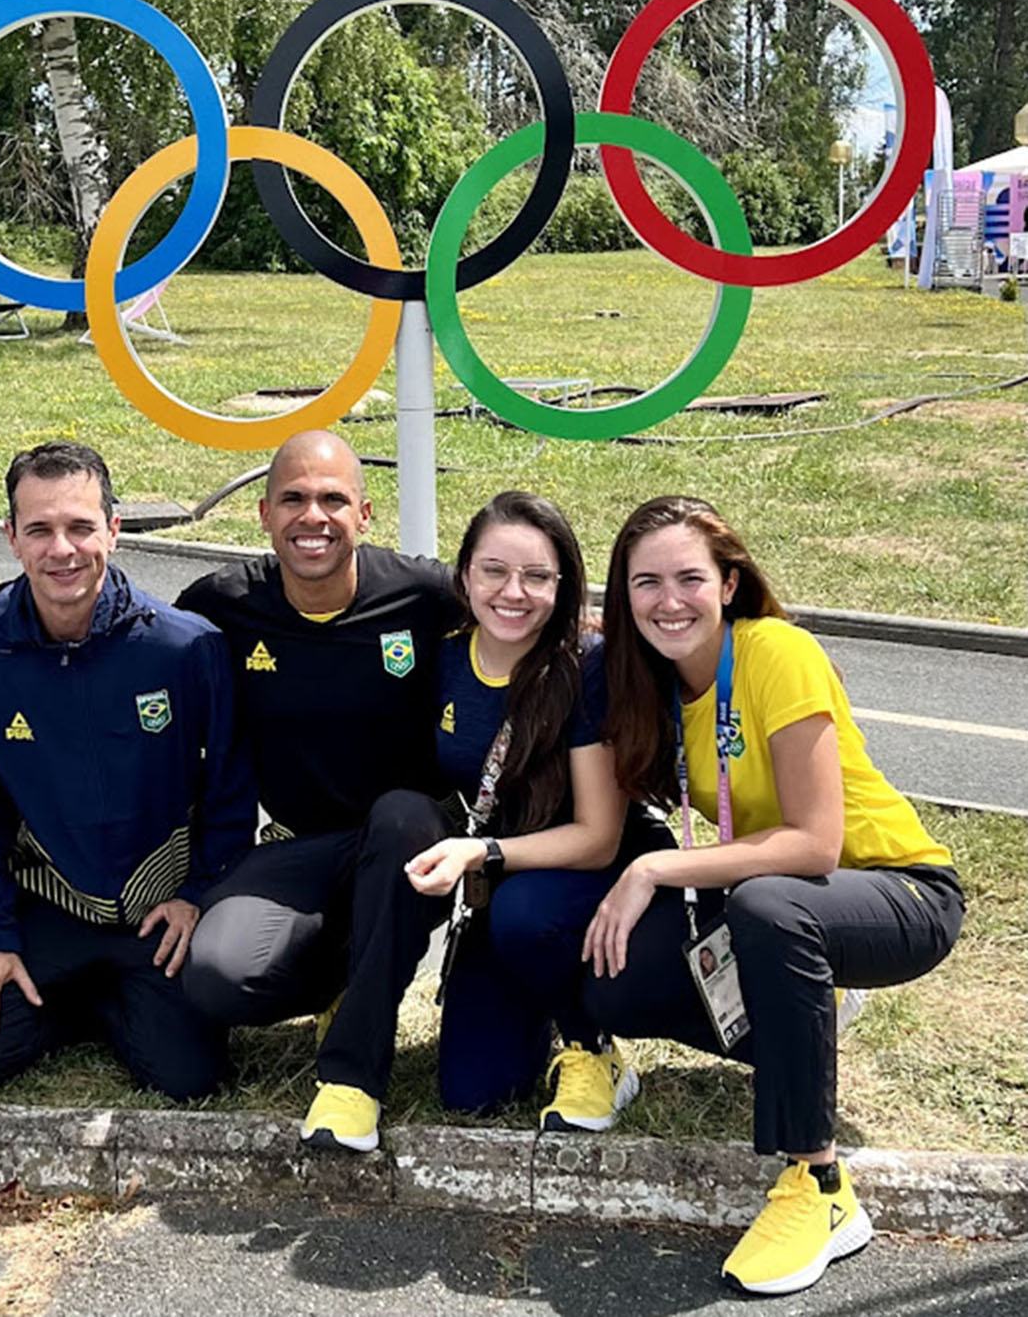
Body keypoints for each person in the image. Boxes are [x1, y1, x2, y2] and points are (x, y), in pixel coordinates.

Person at [582, 496, 963, 1296]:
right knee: (607, 975)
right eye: (645, 582)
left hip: (899, 892)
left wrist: (655, 869)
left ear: (728, 582)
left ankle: (818, 1187)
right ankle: (802, 1024)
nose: (668, 599)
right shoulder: (650, 686)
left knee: (765, 907)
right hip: (788, 898)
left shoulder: (774, 651)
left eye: (690, 577)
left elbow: (815, 844)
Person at [0, 442, 255, 1100]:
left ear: (113, 529)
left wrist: (198, 895)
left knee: (190, 1077)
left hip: (152, 913)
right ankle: (75, 992)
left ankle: (113, 997)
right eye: (41, 530)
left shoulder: (186, 646)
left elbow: (229, 792)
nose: (63, 549)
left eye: (81, 526)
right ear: (13, 538)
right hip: (49, 907)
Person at [173, 430, 460, 1153]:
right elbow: (131, 653)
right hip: (301, 849)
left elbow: (523, 615)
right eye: (294, 499)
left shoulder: (424, 595)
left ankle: (353, 1081)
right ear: (264, 515)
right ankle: (348, 971)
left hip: (408, 847)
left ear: (365, 514)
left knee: (399, 815)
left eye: (333, 498)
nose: (314, 516)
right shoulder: (223, 603)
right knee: (215, 977)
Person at [401, 492, 666, 1132]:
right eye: (494, 570)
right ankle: (542, 1006)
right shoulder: (444, 656)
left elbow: (599, 838)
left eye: (537, 576)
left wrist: (482, 853)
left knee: (525, 915)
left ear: (564, 584)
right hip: (512, 881)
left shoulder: (587, 664)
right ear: (463, 575)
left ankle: (592, 1048)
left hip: (595, 874)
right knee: (473, 1091)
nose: (513, 592)